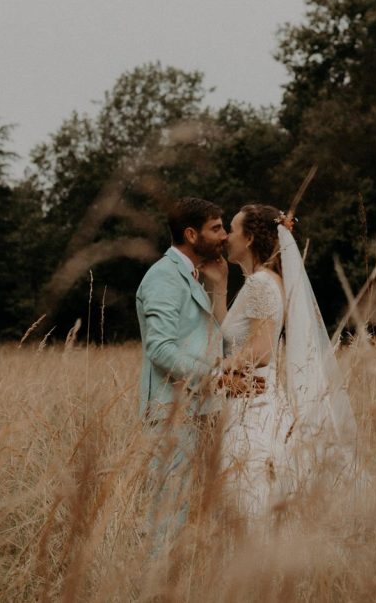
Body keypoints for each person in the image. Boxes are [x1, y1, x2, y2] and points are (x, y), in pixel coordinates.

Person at [217, 204, 358, 517]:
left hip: (249, 406)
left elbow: (262, 350)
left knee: (247, 498)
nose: (226, 236)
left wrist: (214, 369)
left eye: (233, 230)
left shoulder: (260, 284)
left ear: (250, 238)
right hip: (254, 398)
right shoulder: (266, 281)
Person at [135, 196, 228, 543]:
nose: (224, 235)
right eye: (216, 228)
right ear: (191, 234)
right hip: (171, 412)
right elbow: (159, 348)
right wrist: (215, 376)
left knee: (193, 511)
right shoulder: (162, 277)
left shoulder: (190, 276)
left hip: (197, 408)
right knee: (169, 512)